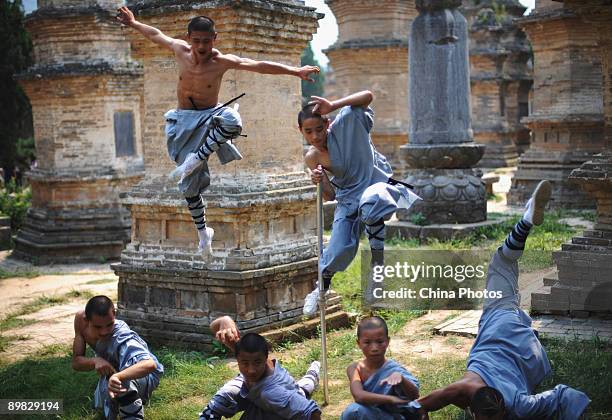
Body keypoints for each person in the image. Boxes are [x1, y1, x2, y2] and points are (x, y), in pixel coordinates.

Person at [116, 7, 320, 257]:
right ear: (189, 38)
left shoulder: (221, 61)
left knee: (233, 119)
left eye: (206, 41)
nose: (201, 46)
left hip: (210, 116)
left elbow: (257, 65)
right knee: (189, 187)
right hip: (183, 121)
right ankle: (204, 234)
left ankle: (196, 158)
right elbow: (156, 34)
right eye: (197, 40)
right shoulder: (180, 50)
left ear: (215, 38)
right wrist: (134, 22)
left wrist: (295, 71)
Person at [414, 180, 591, 419]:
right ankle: (525, 219)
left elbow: (564, 397)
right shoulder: (475, 393)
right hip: (504, 324)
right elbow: (417, 406)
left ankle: (527, 218)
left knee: (502, 264)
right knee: (501, 262)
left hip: (523, 344)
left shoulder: (517, 405)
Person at [298, 91, 421, 314]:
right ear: (301, 132)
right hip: (347, 199)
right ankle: (320, 288)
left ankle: (377, 270)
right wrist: (318, 180)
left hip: (376, 186)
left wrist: (333, 103)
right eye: (309, 132)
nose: (316, 136)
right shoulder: (312, 157)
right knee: (338, 248)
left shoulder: (346, 124)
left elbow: (367, 96)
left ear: (328, 122)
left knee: (371, 202)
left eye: (319, 129)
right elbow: (330, 196)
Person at [200, 317, 322, 420]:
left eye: (257, 363)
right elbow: (213, 327)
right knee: (218, 402)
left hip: (276, 401)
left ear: (265, 359)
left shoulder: (273, 394)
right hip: (254, 392)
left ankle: (313, 372)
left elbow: (312, 412)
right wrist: (224, 320)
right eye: (245, 363)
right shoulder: (249, 352)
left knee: (302, 391)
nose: (251, 370)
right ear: (237, 358)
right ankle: (312, 373)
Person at [72, 295, 164, 420]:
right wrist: (95, 361)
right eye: (98, 327)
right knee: (102, 404)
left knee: (119, 383)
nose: (104, 331)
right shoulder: (80, 320)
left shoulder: (121, 336)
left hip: (144, 376)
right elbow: (76, 362)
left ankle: (132, 413)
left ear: (114, 314)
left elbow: (149, 364)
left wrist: (118, 376)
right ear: (86, 319)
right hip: (113, 373)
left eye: (109, 325)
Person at [342, 316, 420, 420]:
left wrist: (402, 380)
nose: (374, 348)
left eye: (379, 342)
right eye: (367, 343)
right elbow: (358, 395)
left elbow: (415, 395)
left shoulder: (394, 369)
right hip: (369, 414)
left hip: (392, 417)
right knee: (353, 411)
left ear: (387, 341)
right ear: (358, 343)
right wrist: (390, 399)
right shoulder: (355, 368)